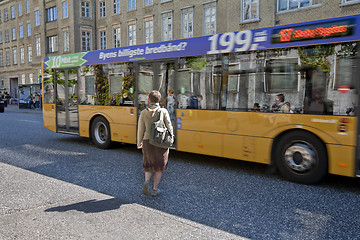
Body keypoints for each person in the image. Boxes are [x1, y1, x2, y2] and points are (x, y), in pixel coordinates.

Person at [137, 90, 173, 197]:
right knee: (158, 167)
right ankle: (154, 189)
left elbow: (140, 129)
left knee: (148, 165)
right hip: (160, 142)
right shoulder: (163, 111)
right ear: (159, 100)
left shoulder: (143, 112)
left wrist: (139, 143)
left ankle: (146, 181)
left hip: (147, 141)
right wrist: (171, 138)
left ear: (149, 100)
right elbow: (169, 126)